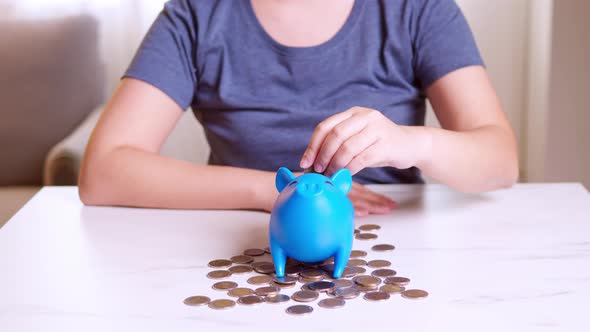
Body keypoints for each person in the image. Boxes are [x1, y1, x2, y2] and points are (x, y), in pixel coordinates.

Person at [79, 0, 518, 217]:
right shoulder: (197, 14)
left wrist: (410, 143)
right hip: (244, 245)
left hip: (387, 243)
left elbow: (500, 163)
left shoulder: (417, 9)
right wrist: (270, 191)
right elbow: (103, 172)